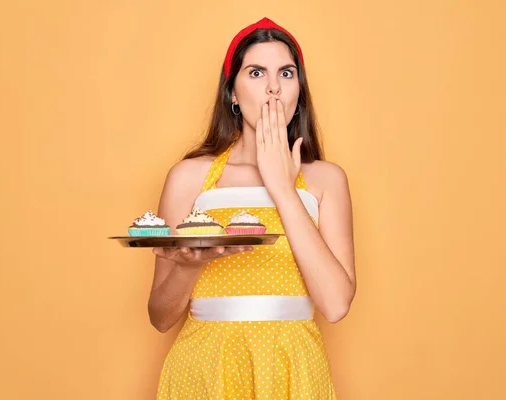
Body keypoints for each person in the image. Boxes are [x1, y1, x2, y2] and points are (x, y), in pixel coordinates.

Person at [148, 17, 356, 399]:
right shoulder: (188, 178)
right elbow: (160, 317)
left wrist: (282, 188)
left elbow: (336, 303)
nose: (273, 87)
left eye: (286, 73)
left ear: (299, 91)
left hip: (294, 366)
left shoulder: (326, 181)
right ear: (232, 92)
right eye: (257, 72)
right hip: (205, 368)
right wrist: (188, 267)